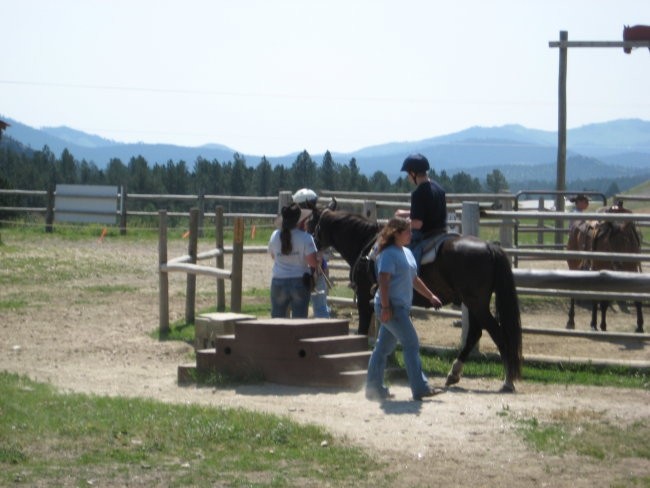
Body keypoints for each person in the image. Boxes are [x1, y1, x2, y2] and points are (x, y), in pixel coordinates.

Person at [366, 217, 444, 401]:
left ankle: (373, 388)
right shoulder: (388, 254)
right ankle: (420, 387)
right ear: (396, 234)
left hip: (398, 307)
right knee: (411, 343)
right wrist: (386, 307)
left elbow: (414, 279)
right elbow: (383, 281)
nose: (411, 234)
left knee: (382, 348)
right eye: (408, 231)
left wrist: (430, 296)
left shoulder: (407, 252)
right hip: (392, 308)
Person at [395, 153, 447, 266]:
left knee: (400, 252)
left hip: (426, 235)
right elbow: (428, 210)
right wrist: (404, 213)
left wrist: (400, 223)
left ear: (413, 173)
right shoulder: (438, 188)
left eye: (408, 174)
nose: (408, 177)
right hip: (441, 232)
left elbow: (417, 224)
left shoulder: (418, 193)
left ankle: (410, 279)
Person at [268, 203, 319, 318]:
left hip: (278, 280)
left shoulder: (274, 235)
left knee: (276, 321)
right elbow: (312, 263)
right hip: (299, 281)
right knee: (299, 322)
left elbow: (273, 256)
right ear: (299, 220)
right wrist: (318, 260)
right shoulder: (306, 237)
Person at [292, 188, 331, 318]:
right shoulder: (319, 223)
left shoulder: (296, 226)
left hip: (301, 272)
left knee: (299, 309)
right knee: (320, 306)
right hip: (317, 268)